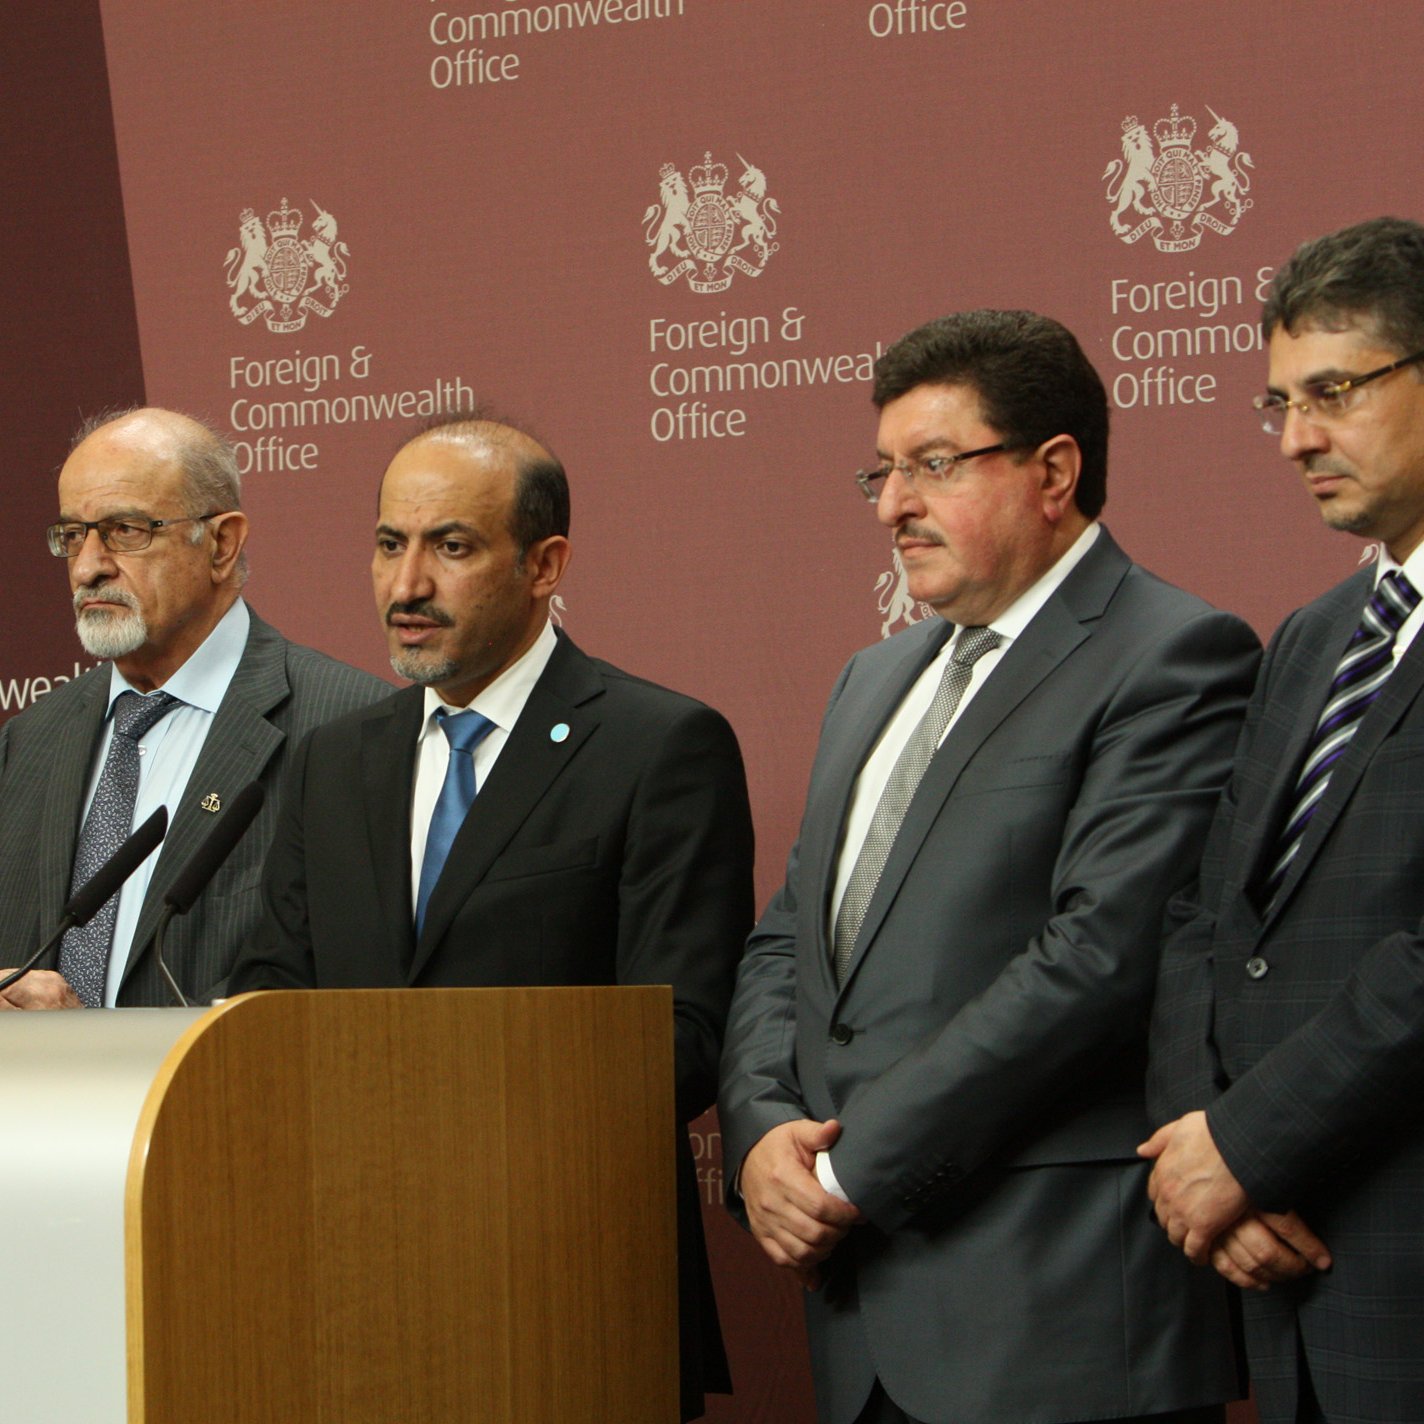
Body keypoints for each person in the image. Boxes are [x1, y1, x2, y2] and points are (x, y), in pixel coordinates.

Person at [717, 309, 1261, 1424]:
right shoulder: (869, 680)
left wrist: (846, 1170)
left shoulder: (1173, 655)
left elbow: (1093, 961)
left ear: (1052, 469)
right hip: (860, 1327)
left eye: (930, 465)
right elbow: (787, 938)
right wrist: (761, 1131)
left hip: (1052, 1325)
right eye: (878, 471)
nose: (889, 506)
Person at [228, 411, 755, 1421]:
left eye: (450, 546)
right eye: (389, 544)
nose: (406, 585)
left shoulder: (656, 746)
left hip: (564, 1290)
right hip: (345, 1292)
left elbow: (681, 1035)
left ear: (545, 561)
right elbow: (269, 995)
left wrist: (433, 1105)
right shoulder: (334, 761)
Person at [1144, 216, 1424, 1424]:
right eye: (1276, 402)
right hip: (1284, 1277)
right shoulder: (1314, 637)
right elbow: (1208, 913)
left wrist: (1249, 1145)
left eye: (1333, 391)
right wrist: (1200, 1156)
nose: (1296, 437)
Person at [0, 407, 387, 1009]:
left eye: (126, 530)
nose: (87, 566)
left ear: (222, 543)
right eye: (73, 535)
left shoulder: (350, 730)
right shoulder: (25, 745)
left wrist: (104, 1050)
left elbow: (351, 989)